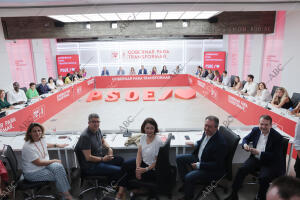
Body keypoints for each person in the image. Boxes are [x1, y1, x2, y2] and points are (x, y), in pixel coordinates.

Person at [225, 115, 284, 200]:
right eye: (261, 124)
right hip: (255, 158)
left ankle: (260, 197)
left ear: (271, 125)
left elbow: (276, 156)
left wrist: (259, 153)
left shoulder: (277, 137)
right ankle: (234, 194)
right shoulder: (256, 130)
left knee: (264, 178)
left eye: (266, 125)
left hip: (269, 162)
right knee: (241, 169)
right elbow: (246, 139)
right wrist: (245, 144)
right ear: (259, 124)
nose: (263, 127)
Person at [176, 116, 227, 200]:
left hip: (211, 169)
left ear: (216, 128)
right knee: (179, 158)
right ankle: (187, 185)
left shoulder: (220, 144)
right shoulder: (207, 132)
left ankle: (188, 197)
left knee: (189, 177)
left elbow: (217, 165)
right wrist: (196, 144)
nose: (206, 128)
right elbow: (203, 142)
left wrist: (199, 165)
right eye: (205, 125)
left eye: (209, 126)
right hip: (201, 157)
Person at [21, 123, 73, 199]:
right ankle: (66, 194)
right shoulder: (27, 147)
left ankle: (63, 192)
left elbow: (46, 144)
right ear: (29, 133)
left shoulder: (41, 139)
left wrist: (57, 145)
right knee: (59, 174)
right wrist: (54, 160)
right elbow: (39, 163)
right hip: (32, 173)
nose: (37, 133)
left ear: (42, 131)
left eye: (39, 130)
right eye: (34, 131)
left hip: (44, 166)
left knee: (59, 167)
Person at [74, 113, 124, 190]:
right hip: (91, 166)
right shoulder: (85, 137)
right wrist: (103, 159)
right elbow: (88, 158)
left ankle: (110, 182)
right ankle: (110, 186)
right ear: (89, 123)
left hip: (100, 160)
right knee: (119, 171)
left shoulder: (97, 130)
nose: (96, 124)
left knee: (120, 160)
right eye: (93, 122)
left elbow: (103, 141)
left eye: (97, 122)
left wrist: (109, 148)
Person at [117, 118, 163, 199]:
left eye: (152, 128)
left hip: (152, 169)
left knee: (129, 173)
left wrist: (144, 170)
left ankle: (130, 191)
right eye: (147, 128)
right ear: (144, 128)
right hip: (143, 163)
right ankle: (121, 192)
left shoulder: (158, 141)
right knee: (125, 165)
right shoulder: (143, 137)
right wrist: (138, 167)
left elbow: (157, 161)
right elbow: (139, 153)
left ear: (155, 129)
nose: (149, 130)